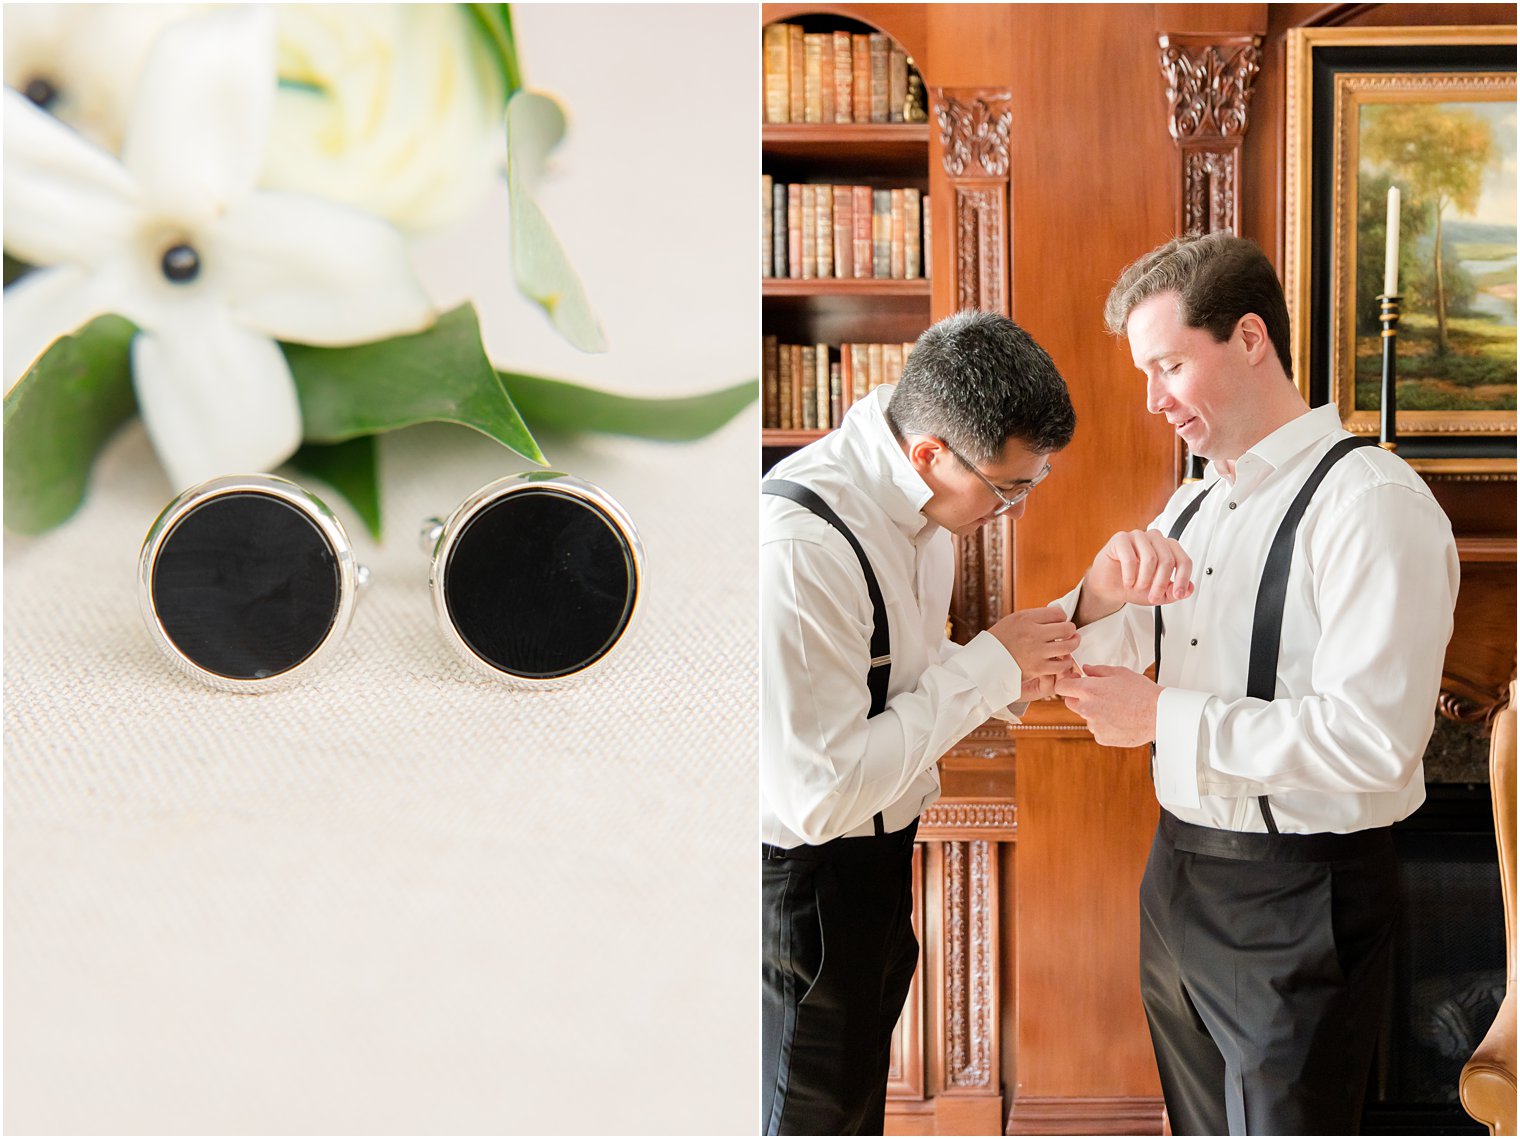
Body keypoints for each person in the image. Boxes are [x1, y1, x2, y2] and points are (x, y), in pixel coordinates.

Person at [1053, 232, 1459, 1136]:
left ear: (1248, 337)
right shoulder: (1193, 503)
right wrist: (1096, 591)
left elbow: (1371, 738)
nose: (1153, 400)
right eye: (1145, 374)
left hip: (1299, 897)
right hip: (1178, 876)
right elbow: (1091, 650)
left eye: (1169, 366)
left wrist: (1160, 715)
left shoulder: (1371, 503)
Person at [760, 310, 1078, 1135]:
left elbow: (904, 677)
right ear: (930, 453)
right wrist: (988, 667)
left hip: (877, 873)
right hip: (801, 890)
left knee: (854, 1114)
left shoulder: (927, 515)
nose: (1014, 508)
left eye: (1030, 484)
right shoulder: (802, 548)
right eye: (1008, 487)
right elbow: (818, 799)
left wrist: (1024, 664)